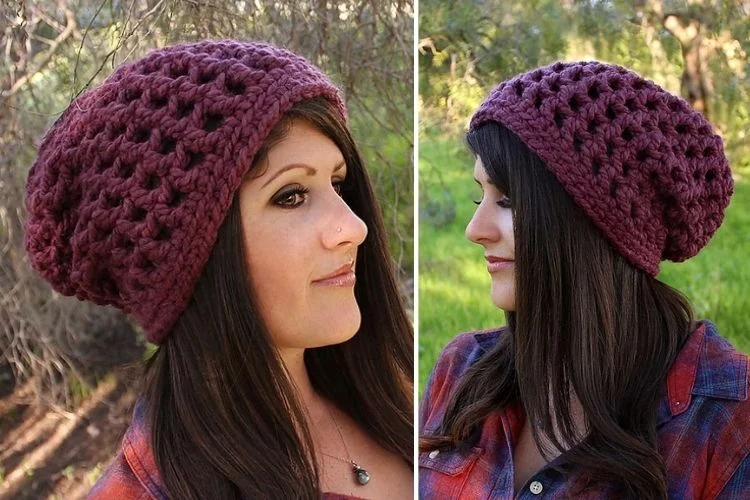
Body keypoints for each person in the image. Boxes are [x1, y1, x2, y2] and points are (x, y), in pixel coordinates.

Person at [23, 40, 413, 499]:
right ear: (196, 260)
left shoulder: (401, 388)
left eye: (338, 184)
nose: (353, 227)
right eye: (290, 196)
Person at [419, 60, 749, 499]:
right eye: (480, 196)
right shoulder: (462, 368)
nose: (474, 230)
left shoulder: (727, 416)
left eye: (508, 200)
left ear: (594, 224)